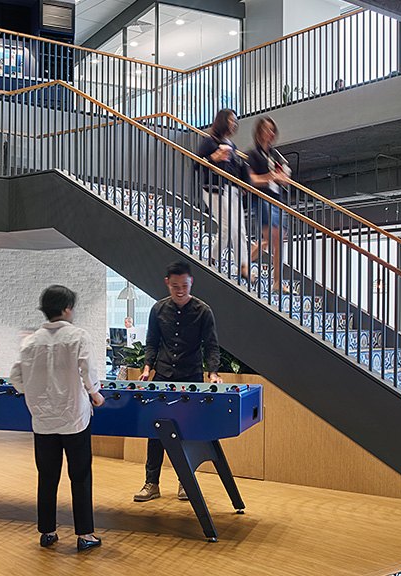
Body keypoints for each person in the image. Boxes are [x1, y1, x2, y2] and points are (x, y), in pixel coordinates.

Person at [10, 285, 104, 552]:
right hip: (74, 417)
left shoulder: (30, 341)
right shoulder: (78, 336)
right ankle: (85, 535)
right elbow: (88, 369)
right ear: (66, 309)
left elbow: (16, 379)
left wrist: (36, 393)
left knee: (47, 476)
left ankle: (48, 532)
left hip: (42, 420)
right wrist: (95, 394)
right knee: (81, 476)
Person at [133, 261, 222, 503]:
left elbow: (211, 347)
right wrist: (147, 368)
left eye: (184, 285)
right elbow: (152, 343)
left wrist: (212, 373)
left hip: (190, 377)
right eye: (175, 286)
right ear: (167, 283)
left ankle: (185, 482)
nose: (180, 290)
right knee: (156, 431)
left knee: (187, 432)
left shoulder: (204, 311)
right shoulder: (158, 310)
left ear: (191, 282)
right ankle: (151, 483)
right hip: (162, 376)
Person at [196, 109, 289, 281]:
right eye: (232, 121)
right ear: (223, 121)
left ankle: (244, 266)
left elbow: (238, 168)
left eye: (236, 122)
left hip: (233, 190)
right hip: (214, 189)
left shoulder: (232, 146)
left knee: (240, 230)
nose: (234, 124)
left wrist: (246, 184)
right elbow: (197, 163)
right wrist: (213, 158)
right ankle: (213, 258)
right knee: (227, 228)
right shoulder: (209, 142)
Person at [245, 117, 292, 293]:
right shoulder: (253, 154)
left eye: (272, 130)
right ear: (259, 132)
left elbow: (286, 175)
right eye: (267, 129)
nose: (270, 133)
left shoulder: (275, 154)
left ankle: (277, 281)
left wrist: (280, 177)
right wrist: (272, 177)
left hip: (277, 200)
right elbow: (252, 180)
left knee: (276, 241)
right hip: (262, 199)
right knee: (273, 238)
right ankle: (244, 264)